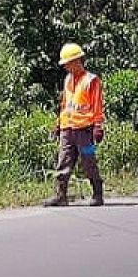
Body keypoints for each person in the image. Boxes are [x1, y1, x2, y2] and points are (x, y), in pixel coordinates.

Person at [44, 43, 105, 207]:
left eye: (67, 63)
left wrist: (98, 126)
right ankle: (60, 195)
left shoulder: (91, 80)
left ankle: (97, 193)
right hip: (67, 128)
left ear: (77, 61)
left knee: (88, 161)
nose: (65, 66)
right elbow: (65, 103)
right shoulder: (68, 79)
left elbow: (97, 105)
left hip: (85, 130)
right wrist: (58, 123)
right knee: (63, 162)